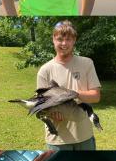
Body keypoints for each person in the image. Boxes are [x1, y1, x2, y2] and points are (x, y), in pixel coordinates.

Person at [36, 21, 101, 150]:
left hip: (84, 136)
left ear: (74, 40)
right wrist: (51, 113)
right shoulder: (45, 70)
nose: (64, 44)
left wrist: (71, 94)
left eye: (68, 39)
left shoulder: (87, 63)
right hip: (57, 139)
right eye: (60, 39)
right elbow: (40, 106)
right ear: (53, 39)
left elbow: (96, 96)